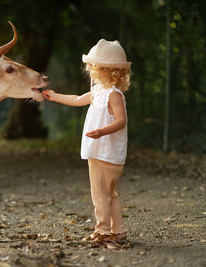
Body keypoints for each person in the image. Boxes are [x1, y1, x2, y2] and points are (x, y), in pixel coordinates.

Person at [42, 39, 131, 244]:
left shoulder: (114, 95)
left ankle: (103, 231)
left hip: (106, 152)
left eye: (96, 68)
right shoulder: (99, 91)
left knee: (100, 194)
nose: (91, 71)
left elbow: (121, 121)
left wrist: (102, 131)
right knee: (109, 193)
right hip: (100, 151)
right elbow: (76, 99)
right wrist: (55, 96)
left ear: (111, 71)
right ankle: (118, 231)